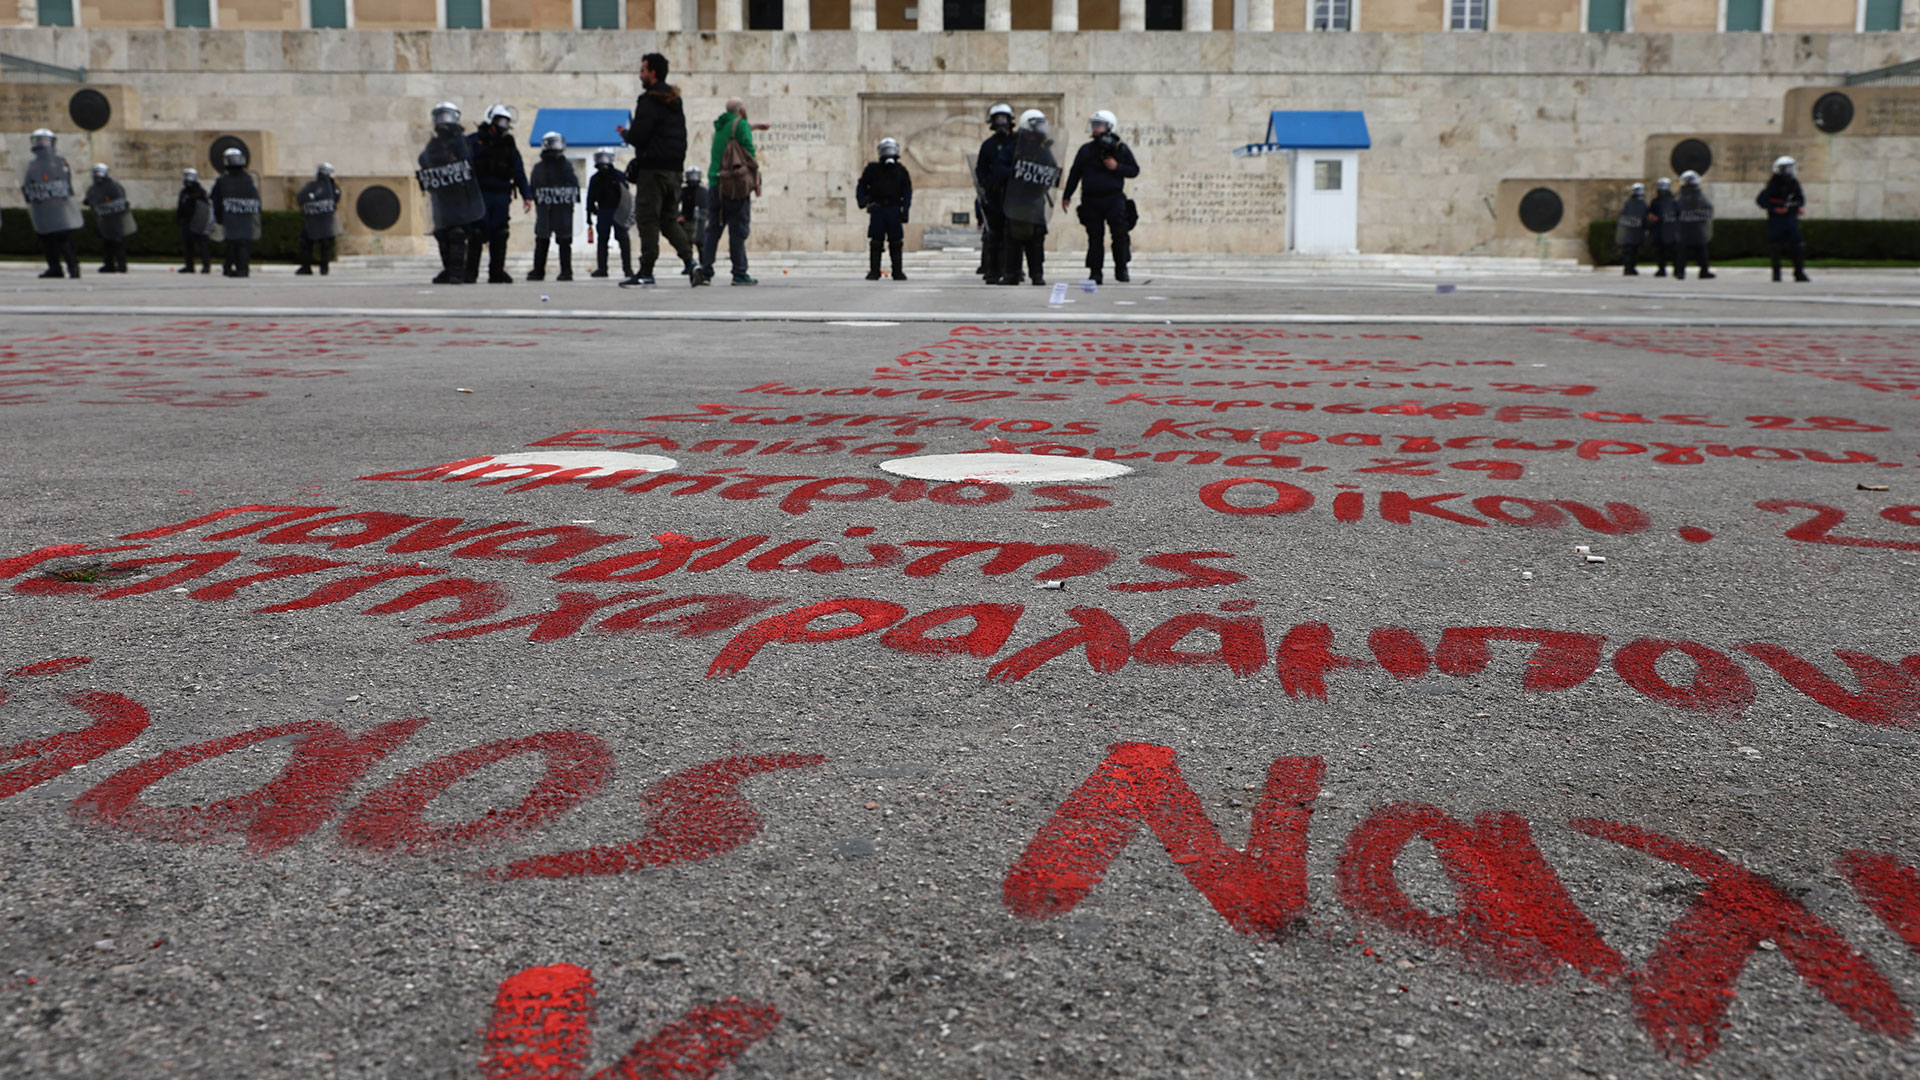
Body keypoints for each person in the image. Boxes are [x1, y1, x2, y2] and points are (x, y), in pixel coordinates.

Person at [616, 52, 696, 288]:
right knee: (669, 220)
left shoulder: (649, 101)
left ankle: (646, 271)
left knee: (648, 219)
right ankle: (691, 263)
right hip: (674, 171)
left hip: (652, 171)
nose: (640, 75)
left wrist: (626, 134)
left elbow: (640, 136)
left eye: (643, 70)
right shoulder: (674, 102)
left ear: (652, 73)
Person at [1062, 110, 1139, 285]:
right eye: (1094, 125)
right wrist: (1067, 195)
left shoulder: (1120, 148)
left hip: (1114, 198)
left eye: (1100, 125)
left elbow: (1134, 170)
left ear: (1109, 127)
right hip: (1091, 199)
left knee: (1120, 234)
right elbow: (1075, 173)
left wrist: (1117, 166)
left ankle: (1121, 268)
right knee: (1095, 237)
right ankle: (1095, 272)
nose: (1096, 128)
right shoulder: (1086, 150)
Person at [698, 97, 766, 287]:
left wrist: (756, 127)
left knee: (713, 229)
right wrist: (756, 180)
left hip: (715, 184)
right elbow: (749, 152)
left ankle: (705, 271)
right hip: (734, 186)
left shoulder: (721, 126)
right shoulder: (741, 124)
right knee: (738, 230)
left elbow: (736, 131)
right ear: (741, 109)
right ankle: (739, 273)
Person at [417, 101, 486, 285]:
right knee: (442, 234)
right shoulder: (434, 144)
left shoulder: (462, 142)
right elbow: (423, 159)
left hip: (459, 195)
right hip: (441, 195)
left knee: (457, 233)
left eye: (446, 116)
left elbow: (467, 160)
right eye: (440, 116)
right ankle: (448, 270)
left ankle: (457, 272)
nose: (444, 121)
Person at [466, 104, 531, 283]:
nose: (503, 125)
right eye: (500, 121)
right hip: (480, 194)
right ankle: (470, 272)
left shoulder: (508, 145)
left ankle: (496, 272)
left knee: (500, 233)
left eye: (505, 122)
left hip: (501, 195)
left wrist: (527, 195)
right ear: (490, 121)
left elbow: (518, 171)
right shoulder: (473, 141)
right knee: (477, 232)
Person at [998, 109, 1060, 287]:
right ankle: (1011, 273)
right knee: (1012, 239)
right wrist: (1016, 174)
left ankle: (1037, 274)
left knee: (1036, 239)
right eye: (1036, 125)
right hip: (1016, 200)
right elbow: (1000, 168)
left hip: (1034, 200)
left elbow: (1052, 172)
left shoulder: (1043, 151)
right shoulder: (1014, 147)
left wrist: (1040, 180)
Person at [20, 129, 82, 280]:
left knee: (63, 238)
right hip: (42, 207)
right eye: (39, 140)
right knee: (47, 240)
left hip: (58, 206)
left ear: (52, 142)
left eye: (45, 140)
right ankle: (54, 268)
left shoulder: (60, 162)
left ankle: (73, 267)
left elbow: (65, 182)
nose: (42, 143)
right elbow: (28, 184)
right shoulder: (33, 165)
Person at [856, 137, 912, 281]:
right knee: (876, 242)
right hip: (878, 209)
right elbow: (861, 186)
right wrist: (863, 201)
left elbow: (907, 192)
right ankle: (875, 271)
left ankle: (897, 271)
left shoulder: (901, 171)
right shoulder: (873, 169)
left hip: (893, 208)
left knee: (896, 242)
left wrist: (905, 210)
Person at [527, 132, 579, 283]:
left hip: (562, 209)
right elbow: (535, 186)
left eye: (558, 143)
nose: (556, 147)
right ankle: (538, 270)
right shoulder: (539, 167)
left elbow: (573, 184)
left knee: (564, 240)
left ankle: (566, 271)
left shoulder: (566, 165)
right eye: (553, 143)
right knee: (542, 239)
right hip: (546, 209)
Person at [975, 103, 1018, 285]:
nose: (1001, 122)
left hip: (1015, 194)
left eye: (1004, 118)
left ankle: (1014, 270)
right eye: (998, 118)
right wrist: (987, 185)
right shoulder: (988, 145)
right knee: (995, 235)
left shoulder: (1017, 142)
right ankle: (993, 271)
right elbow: (980, 170)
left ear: (1010, 121)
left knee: (1015, 235)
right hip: (995, 195)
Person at [209, 146, 261, 278]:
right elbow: (256, 199)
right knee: (241, 243)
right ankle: (236, 268)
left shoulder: (223, 180)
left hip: (231, 216)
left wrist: (218, 216)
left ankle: (239, 269)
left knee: (234, 242)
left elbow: (215, 199)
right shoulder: (248, 179)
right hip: (245, 216)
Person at [1758, 156, 1810, 284]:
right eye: (1787, 168)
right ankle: (1776, 274)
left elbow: (1800, 198)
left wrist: (1798, 207)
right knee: (1775, 245)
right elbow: (1761, 200)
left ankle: (1799, 272)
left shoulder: (1793, 182)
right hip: (1776, 220)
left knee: (1797, 245)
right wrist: (1774, 208)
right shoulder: (1773, 184)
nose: (1790, 171)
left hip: (1790, 218)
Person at [82, 163, 136, 274]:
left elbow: (120, 200)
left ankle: (121, 265)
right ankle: (109, 264)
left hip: (114, 218)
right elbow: (89, 200)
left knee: (116, 242)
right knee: (107, 242)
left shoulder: (113, 186)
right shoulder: (95, 188)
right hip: (104, 219)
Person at [587, 148, 632, 279]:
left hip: (618, 212)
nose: (603, 161)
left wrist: (627, 212)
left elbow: (626, 195)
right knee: (602, 240)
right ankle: (602, 268)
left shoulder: (618, 176)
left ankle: (627, 269)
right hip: (603, 211)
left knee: (622, 239)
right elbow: (590, 198)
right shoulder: (595, 179)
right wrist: (589, 215)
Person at [296, 162, 343, 277]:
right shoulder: (333, 189)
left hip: (311, 222)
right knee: (326, 245)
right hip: (326, 222)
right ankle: (324, 268)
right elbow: (336, 200)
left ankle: (306, 267)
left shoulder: (311, 186)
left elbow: (300, 199)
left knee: (306, 244)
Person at [1672, 170, 1714, 282]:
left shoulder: (1682, 195)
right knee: (1696, 251)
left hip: (1687, 227)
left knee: (1688, 251)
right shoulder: (1695, 195)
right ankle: (1701, 271)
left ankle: (1681, 272)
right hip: (1691, 227)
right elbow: (1708, 208)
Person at [175, 167, 212, 274]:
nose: (187, 179)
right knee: (188, 245)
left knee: (203, 244)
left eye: (189, 176)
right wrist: (179, 218)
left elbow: (205, 208)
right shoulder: (184, 192)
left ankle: (206, 266)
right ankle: (189, 266)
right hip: (187, 221)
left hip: (199, 221)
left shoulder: (200, 192)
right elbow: (180, 206)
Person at [1645, 177, 1678, 278]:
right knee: (1659, 251)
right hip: (1659, 229)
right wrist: (1651, 220)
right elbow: (1650, 214)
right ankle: (1661, 269)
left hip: (1669, 229)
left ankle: (1676, 269)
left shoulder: (1673, 201)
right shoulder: (1655, 202)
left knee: (1673, 251)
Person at [678, 166, 707, 275]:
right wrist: (679, 216)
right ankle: (688, 265)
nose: (693, 178)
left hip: (699, 221)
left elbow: (706, 206)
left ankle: (703, 266)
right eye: (692, 176)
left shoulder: (703, 191)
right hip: (686, 221)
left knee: (701, 244)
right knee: (686, 244)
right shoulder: (684, 191)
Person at [1615, 182, 1647, 277]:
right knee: (1632, 252)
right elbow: (1644, 217)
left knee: (1630, 252)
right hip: (1635, 232)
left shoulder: (1628, 203)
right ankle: (1630, 268)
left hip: (1630, 232)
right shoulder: (1641, 204)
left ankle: (1629, 268)